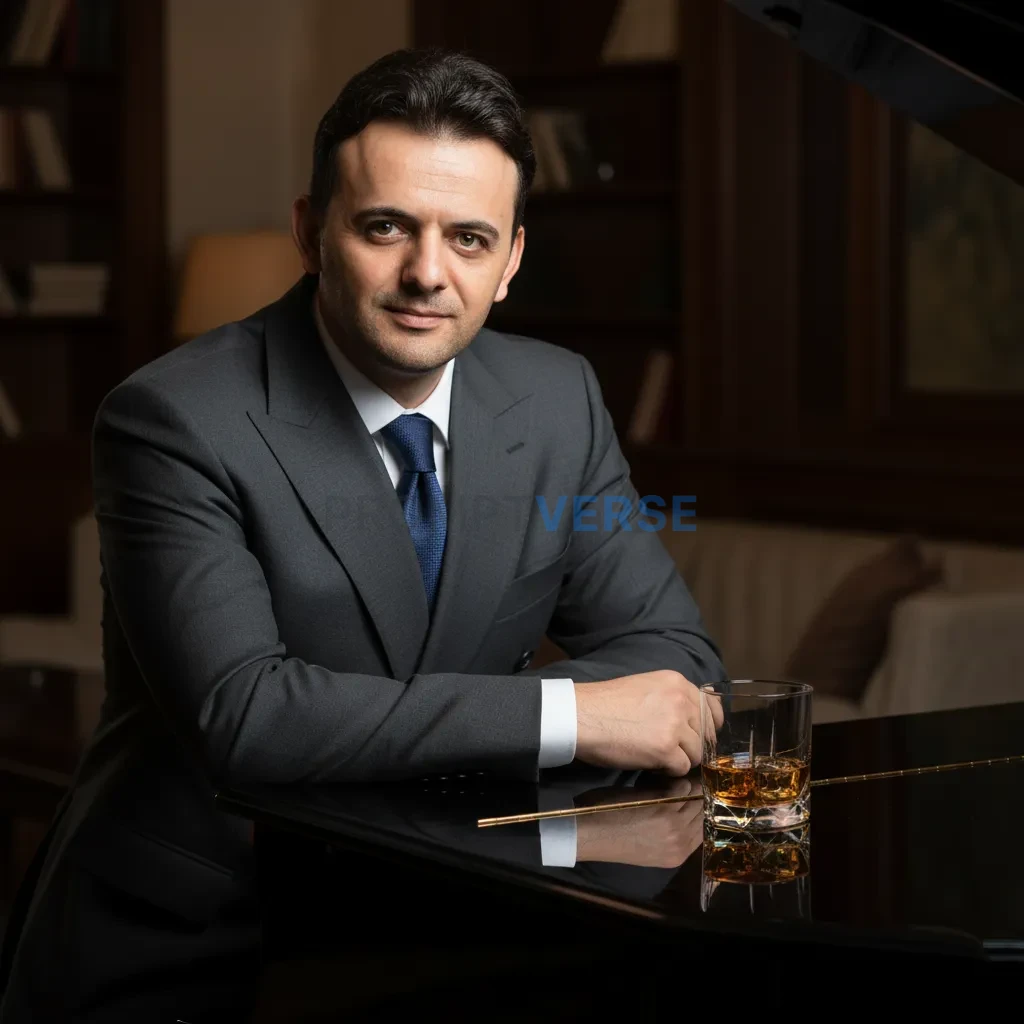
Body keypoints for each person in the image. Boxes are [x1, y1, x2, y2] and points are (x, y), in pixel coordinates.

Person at [0, 48, 723, 1020]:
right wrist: (566, 714)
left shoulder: (558, 399)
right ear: (311, 231)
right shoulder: (174, 419)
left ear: (511, 259)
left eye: (469, 238)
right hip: (197, 943)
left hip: (447, 925)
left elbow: (676, 654)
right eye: (387, 227)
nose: (427, 274)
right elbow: (245, 714)